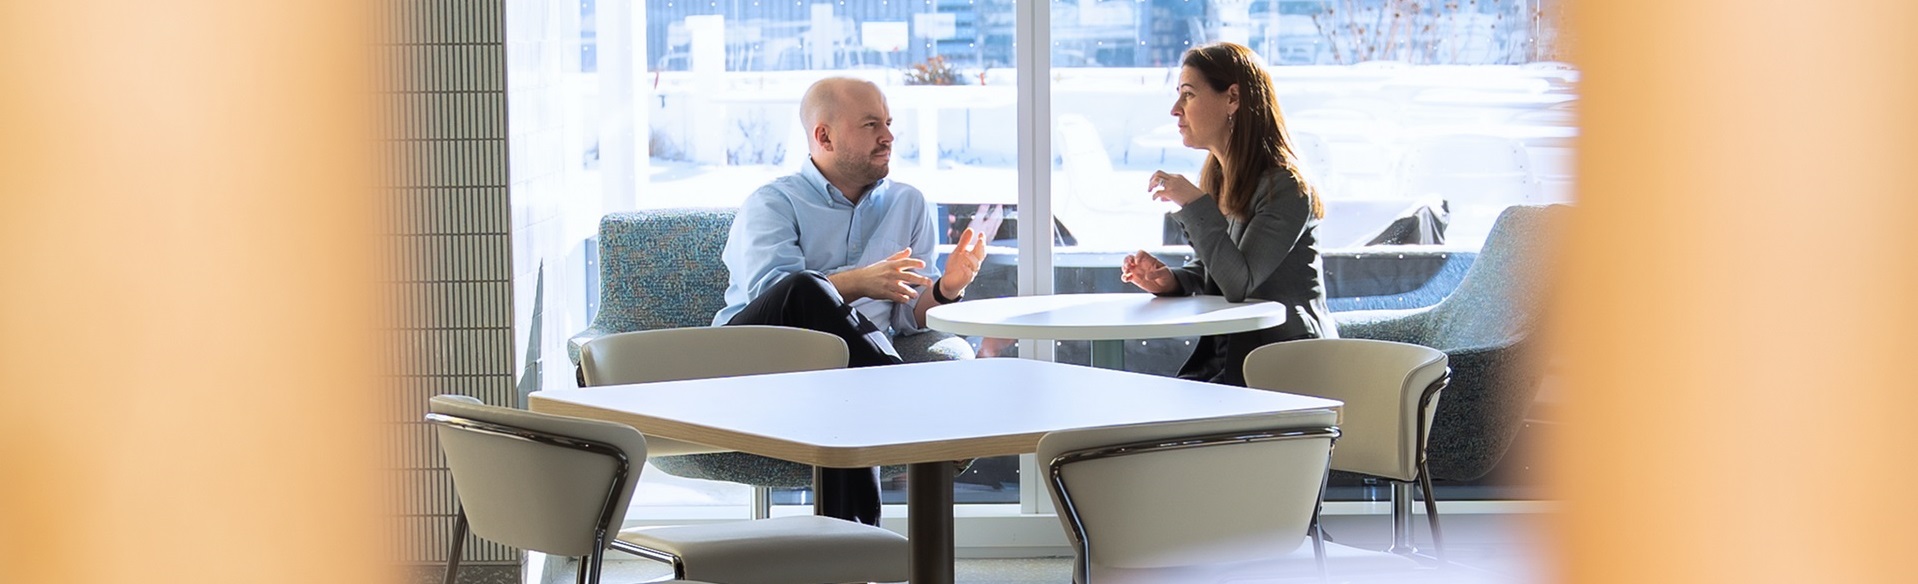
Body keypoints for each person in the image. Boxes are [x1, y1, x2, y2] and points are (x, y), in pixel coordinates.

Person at [713, 77, 989, 525]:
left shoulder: (909, 203)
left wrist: (947, 289)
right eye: (870, 124)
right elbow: (776, 297)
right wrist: (860, 282)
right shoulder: (773, 203)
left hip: (847, 369)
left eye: (889, 123)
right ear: (824, 137)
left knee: (850, 396)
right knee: (805, 287)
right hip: (758, 358)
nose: (889, 136)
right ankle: (909, 404)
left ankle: (858, 549)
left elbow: (907, 316)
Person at [1120, 42, 1338, 387]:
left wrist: (1195, 204)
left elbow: (1239, 283)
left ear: (1233, 98)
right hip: (1233, 360)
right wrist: (1172, 280)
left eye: (1188, 94)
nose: (1176, 110)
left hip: (1284, 366)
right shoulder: (1222, 176)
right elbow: (1218, 268)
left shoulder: (1286, 186)